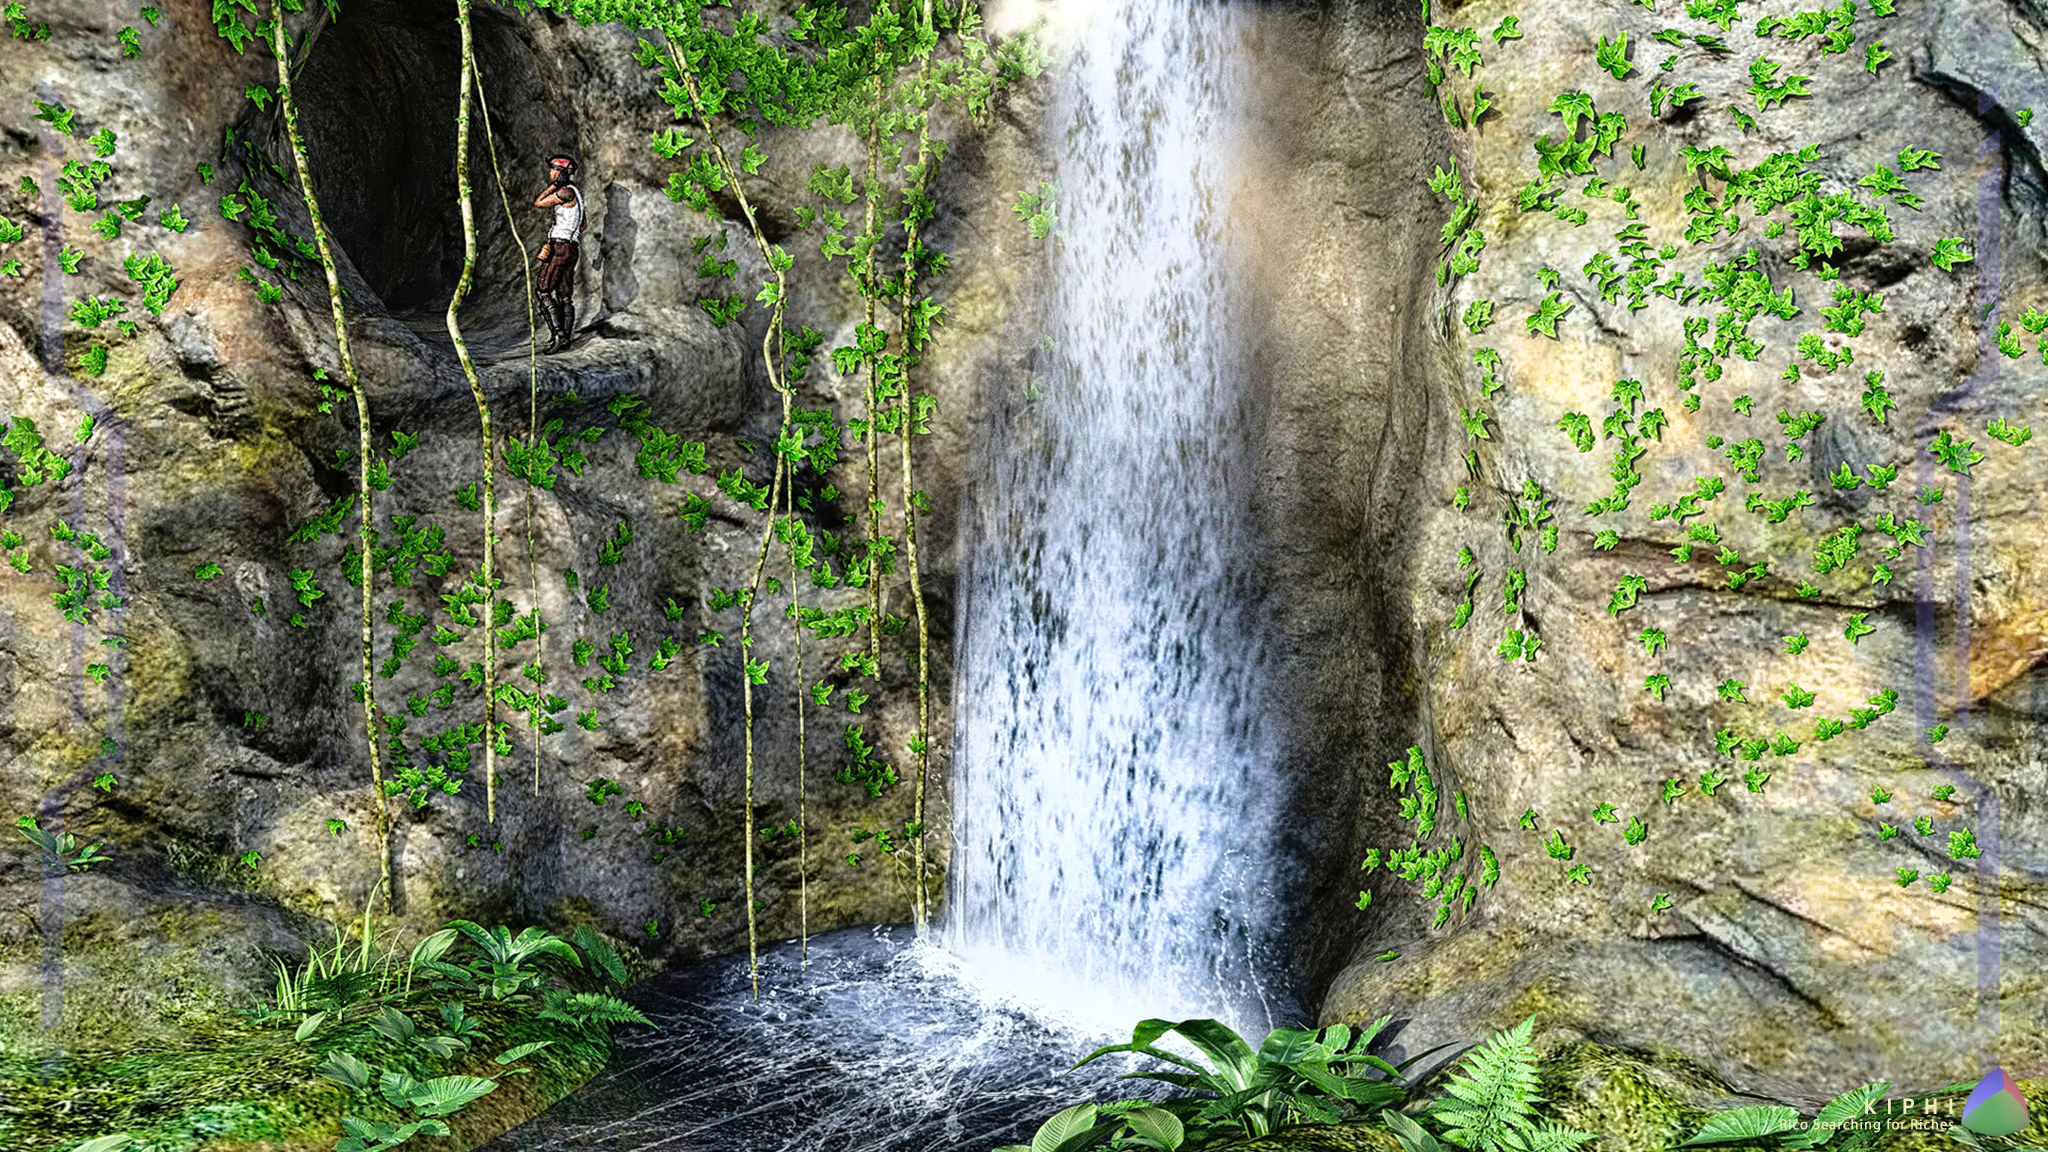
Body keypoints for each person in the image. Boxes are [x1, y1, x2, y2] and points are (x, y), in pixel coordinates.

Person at [533, 154, 583, 353]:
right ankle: (566, 338)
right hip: (572, 248)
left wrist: (554, 186)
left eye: (554, 170)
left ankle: (560, 336)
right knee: (565, 295)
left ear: (563, 173)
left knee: (543, 290)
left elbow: (539, 202)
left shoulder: (565, 192)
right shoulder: (577, 194)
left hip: (560, 247)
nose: (550, 173)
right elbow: (584, 224)